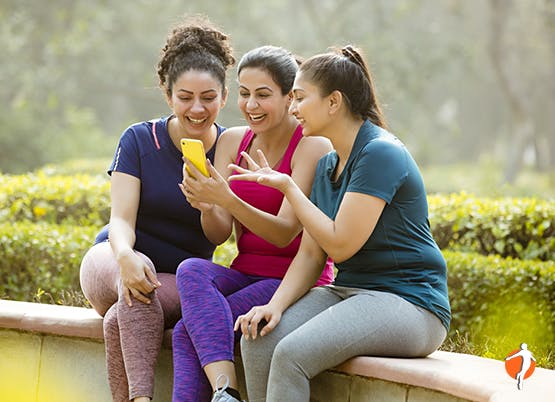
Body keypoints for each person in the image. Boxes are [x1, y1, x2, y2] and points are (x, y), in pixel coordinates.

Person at [232, 45, 451, 402]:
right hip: (349, 292)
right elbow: (310, 256)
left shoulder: (380, 153)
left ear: (333, 102)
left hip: (410, 304)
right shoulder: (327, 164)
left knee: (291, 355)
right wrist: (274, 305)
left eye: (300, 98)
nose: (293, 108)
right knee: (259, 338)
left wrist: (288, 187)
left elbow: (340, 245)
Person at [78, 15, 235, 402]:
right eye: (185, 98)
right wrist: (126, 255)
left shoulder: (232, 148)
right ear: (168, 96)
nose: (197, 109)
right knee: (134, 285)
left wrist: (207, 203)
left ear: (225, 96)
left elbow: (219, 235)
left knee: (127, 312)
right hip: (112, 258)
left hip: (177, 279)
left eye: (208, 98)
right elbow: (120, 218)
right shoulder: (138, 139)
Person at [171, 45, 335, 402]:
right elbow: (220, 234)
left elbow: (284, 233)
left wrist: (227, 198)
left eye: (263, 95)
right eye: (244, 94)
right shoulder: (233, 140)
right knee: (191, 270)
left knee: (187, 331)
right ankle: (226, 391)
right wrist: (206, 204)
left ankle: (226, 393)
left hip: (290, 280)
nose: (250, 105)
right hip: (245, 271)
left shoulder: (312, 147)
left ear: (291, 96)